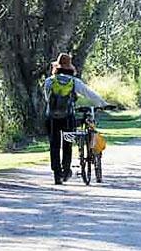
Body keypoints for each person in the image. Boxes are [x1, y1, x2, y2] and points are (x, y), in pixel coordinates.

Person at [43, 52, 107, 185]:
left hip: (52, 118)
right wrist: (103, 103)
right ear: (70, 67)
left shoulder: (49, 81)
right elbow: (89, 94)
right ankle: (66, 170)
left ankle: (57, 174)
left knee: (54, 145)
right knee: (67, 144)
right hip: (68, 118)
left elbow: (47, 98)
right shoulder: (73, 82)